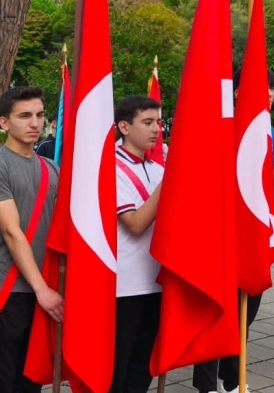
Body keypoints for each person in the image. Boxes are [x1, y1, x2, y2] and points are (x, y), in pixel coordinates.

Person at [193, 69, 274, 393]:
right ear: (237, 91)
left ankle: (232, 378)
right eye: (260, 90)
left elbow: (270, 165)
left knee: (247, 307)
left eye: (271, 92)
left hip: (253, 231)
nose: (267, 97)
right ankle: (207, 384)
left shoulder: (265, 126)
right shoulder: (221, 122)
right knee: (218, 310)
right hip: (223, 229)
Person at [0, 86, 61, 393]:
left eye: (39, 115)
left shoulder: (51, 168)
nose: (34, 123)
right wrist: (42, 290)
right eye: (24, 116)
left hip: (44, 287)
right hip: (9, 290)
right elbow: (12, 232)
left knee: (31, 378)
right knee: (3, 377)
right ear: (3, 123)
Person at [111, 95, 164, 393]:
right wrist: (167, 185)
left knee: (143, 366)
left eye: (158, 122)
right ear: (124, 127)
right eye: (147, 122)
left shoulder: (158, 168)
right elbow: (135, 223)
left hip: (158, 280)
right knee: (118, 366)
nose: (156, 129)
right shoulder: (111, 167)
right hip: (125, 285)